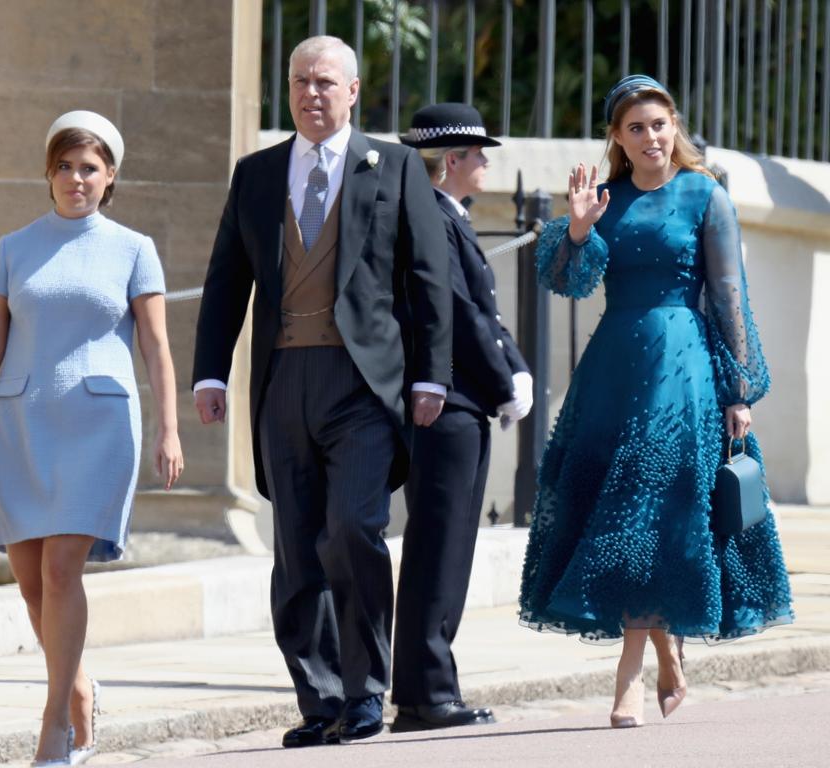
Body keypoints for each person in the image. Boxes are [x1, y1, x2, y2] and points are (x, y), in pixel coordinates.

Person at [192, 36, 452, 747]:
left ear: (354, 91)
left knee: (353, 530)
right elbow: (226, 282)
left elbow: (429, 279)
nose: (312, 93)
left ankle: (366, 692)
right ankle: (321, 697)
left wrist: (432, 374)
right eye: (301, 81)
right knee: (298, 547)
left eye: (326, 82)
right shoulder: (255, 174)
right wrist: (211, 372)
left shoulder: (393, 166)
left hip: (363, 384)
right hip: (282, 382)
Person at [518, 74, 794, 728]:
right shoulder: (604, 199)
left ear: (676, 127)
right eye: (636, 128)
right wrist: (580, 230)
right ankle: (669, 660)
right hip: (613, 370)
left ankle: (627, 676)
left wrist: (739, 390)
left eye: (660, 124)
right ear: (617, 137)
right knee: (621, 515)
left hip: (686, 372)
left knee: (653, 511)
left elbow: (728, 296)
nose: (651, 137)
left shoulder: (705, 195)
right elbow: (567, 280)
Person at [0, 110, 183, 765]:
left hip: (100, 426)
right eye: (65, 166)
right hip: (21, 424)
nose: (76, 179)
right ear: (48, 174)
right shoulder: (12, 248)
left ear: (110, 179)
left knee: (60, 568)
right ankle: (76, 689)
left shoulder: (134, 249)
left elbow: (157, 347)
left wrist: (169, 428)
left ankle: (54, 727)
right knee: (28, 584)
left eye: (90, 168)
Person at [392, 103, 531, 732]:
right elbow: (457, 313)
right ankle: (426, 693)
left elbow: (482, 312)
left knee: (449, 548)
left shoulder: (447, 217)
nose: (484, 164)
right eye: (477, 154)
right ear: (451, 161)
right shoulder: (430, 220)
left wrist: (513, 366)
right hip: (448, 404)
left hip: (462, 403)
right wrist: (507, 380)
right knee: (437, 549)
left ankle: (430, 687)